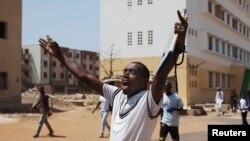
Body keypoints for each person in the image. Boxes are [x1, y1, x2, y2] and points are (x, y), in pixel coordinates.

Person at [38, 10, 188, 141]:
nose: (125, 75)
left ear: (144, 80)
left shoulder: (149, 101)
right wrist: (59, 56)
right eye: (125, 71)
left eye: (132, 72)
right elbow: (85, 76)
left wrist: (179, 42)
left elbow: (161, 75)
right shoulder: (117, 96)